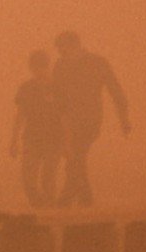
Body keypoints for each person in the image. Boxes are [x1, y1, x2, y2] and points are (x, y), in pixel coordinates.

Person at [52, 30, 130, 207]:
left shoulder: (98, 63)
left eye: (62, 49)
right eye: (59, 51)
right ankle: (86, 198)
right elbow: (55, 96)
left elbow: (115, 90)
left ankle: (67, 196)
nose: (60, 54)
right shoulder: (60, 65)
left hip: (90, 120)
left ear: (74, 45)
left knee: (76, 155)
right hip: (67, 121)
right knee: (76, 157)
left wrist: (124, 119)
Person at [11, 49, 63, 208]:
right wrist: (14, 140)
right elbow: (20, 115)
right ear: (31, 68)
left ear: (48, 66)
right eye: (35, 68)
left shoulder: (58, 88)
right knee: (28, 179)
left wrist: (68, 141)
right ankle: (40, 207)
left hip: (54, 139)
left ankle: (49, 211)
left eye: (42, 67)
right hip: (31, 139)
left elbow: (66, 116)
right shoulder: (26, 88)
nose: (38, 72)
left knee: (49, 179)